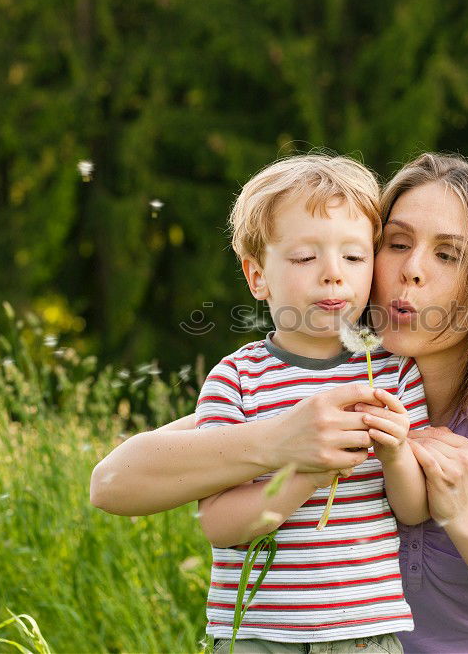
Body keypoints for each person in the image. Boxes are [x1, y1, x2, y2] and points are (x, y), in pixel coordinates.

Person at [91, 153, 468, 653]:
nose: (412, 270)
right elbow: (112, 483)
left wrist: (460, 511)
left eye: (448, 254)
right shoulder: (312, 384)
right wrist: (279, 442)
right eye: (397, 244)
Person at [167, 154, 431, 653]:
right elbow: (223, 527)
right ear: (257, 277)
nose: (333, 275)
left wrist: (396, 453)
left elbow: (414, 511)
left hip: (362, 635)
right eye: (305, 258)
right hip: (258, 635)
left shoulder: (392, 372)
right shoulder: (237, 380)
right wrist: (308, 470)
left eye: (353, 258)